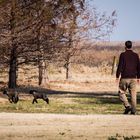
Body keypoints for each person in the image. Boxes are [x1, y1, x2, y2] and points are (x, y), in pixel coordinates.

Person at [116, 40, 140, 115]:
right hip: (133, 77)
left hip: (124, 77)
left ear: (125, 46)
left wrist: (117, 76)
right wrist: (138, 77)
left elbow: (120, 66)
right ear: (131, 46)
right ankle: (133, 110)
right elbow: (139, 67)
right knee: (133, 94)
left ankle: (127, 106)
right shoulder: (136, 55)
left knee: (121, 92)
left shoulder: (123, 55)